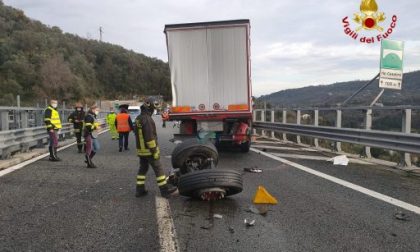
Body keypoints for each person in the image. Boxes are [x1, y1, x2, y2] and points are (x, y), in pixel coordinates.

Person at [134, 97, 177, 198]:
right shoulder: (147, 119)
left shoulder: (138, 118)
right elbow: (149, 137)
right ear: (151, 108)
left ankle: (139, 190)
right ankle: (165, 191)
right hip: (149, 151)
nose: (154, 111)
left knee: (143, 169)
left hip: (141, 150)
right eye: (154, 108)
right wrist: (154, 151)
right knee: (159, 169)